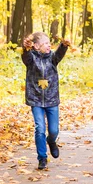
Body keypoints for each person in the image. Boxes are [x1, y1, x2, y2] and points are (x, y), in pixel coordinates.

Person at [22, 32, 70, 170]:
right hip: (36, 99)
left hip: (51, 99)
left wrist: (64, 45)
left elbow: (59, 53)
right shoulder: (31, 59)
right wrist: (25, 48)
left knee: (53, 130)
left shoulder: (52, 58)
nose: (49, 45)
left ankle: (51, 141)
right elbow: (25, 55)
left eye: (49, 43)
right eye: (45, 43)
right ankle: (42, 157)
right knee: (40, 129)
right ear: (36, 46)